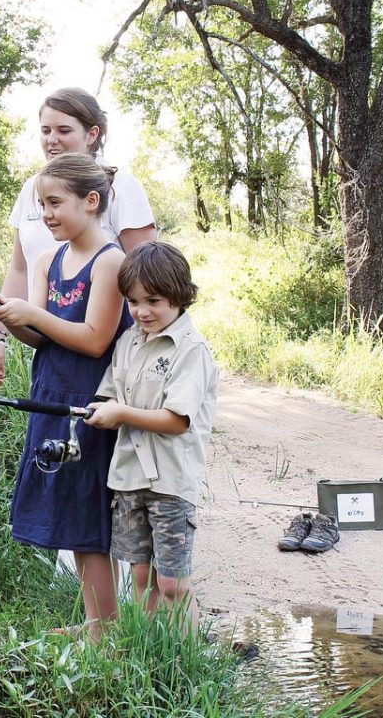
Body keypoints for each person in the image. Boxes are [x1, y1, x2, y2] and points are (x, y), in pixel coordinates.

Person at [0, 152, 129, 641]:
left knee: (87, 514)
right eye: (41, 204)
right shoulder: (47, 259)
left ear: (91, 201)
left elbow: (94, 339)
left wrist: (31, 314)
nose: (45, 214)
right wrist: (7, 318)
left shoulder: (112, 261)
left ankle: (104, 631)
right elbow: (41, 337)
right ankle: (95, 624)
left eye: (55, 202)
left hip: (91, 402)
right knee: (65, 507)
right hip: (50, 393)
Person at [84, 241, 217, 634]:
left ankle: (186, 661)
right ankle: (149, 656)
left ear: (179, 296)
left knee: (172, 582)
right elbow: (109, 391)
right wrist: (101, 409)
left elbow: (177, 420)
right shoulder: (127, 342)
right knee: (141, 580)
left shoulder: (191, 350)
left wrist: (121, 414)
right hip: (128, 479)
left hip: (171, 482)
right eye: (133, 302)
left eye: (153, 301)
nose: (142, 311)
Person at [0, 87, 156, 386]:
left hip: (107, 367)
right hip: (52, 363)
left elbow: (153, 274)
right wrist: (0, 330)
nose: (52, 139)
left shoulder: (122, 187)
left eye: (64, 130)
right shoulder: (32, 189)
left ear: (91, 134)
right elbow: (19, 268)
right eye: (46, 130)